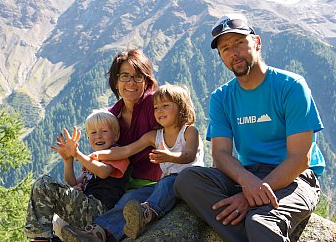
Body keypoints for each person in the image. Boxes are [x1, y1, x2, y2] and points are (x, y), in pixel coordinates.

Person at [174, 13, 324, 242]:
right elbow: (221, 154)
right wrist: (246, 181)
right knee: (188, 179)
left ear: (257, 42)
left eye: (239, 43)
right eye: (225, 48)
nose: (234, 53)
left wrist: (249, 195)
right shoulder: (222, 97)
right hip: (248, 173)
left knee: (260, 222)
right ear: (221, 56)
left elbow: (300, 158)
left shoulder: (291, 86)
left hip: (295, 177)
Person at [60, 49, 162, 242]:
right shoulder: (110, 117)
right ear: (116, 81)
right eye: (124, 76)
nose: (131, 83)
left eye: (137, 77)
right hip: (116, 186)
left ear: (146, 81)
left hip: (152, 183)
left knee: (125, 205)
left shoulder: (153, 105)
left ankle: (99, 234)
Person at [92, 84, 204, 239]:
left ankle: (146, 215)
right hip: (166, 184)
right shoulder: (154, 135)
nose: (159, 111)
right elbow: (126, 150)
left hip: (188, 181)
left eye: (165, 106)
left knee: (166, 183)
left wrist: (170, 156)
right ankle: (101, 231)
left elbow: (189, 155)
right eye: (156, 108)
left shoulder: (189, 131)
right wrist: (98, 156)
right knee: (131, 197)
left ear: (181, 108)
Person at [24, 109, 131, 242]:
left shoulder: (118, 153)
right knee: (51, 213)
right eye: (93, 132)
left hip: (100, 211)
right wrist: (68, 160)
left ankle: (41, 238)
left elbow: (103, 172)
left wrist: (78, 155)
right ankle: (45, 237)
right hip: (87, 209)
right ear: (88, 137)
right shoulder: (91, 161)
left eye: (104, 131)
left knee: (45, 184)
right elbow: (72, 182)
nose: (98, 136)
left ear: (116, 135)